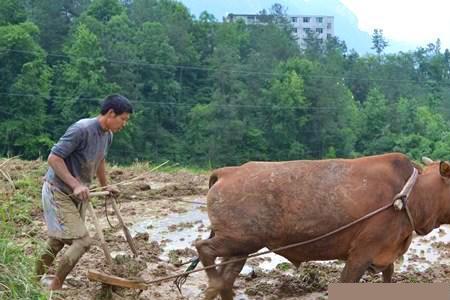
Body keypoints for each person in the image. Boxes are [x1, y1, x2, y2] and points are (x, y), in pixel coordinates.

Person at [35, 94, 133, 290]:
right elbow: (54, 158)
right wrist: (75, 185)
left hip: (76, 195)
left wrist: (106, 185)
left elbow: (100, 160)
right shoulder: (82, 129)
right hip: (58, 191)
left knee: (58, 241)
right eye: (123, 119)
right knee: (82, 241)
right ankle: (55, 285)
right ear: (111, 114)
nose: (124, 124)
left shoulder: (108, 135)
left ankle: (31, 278)